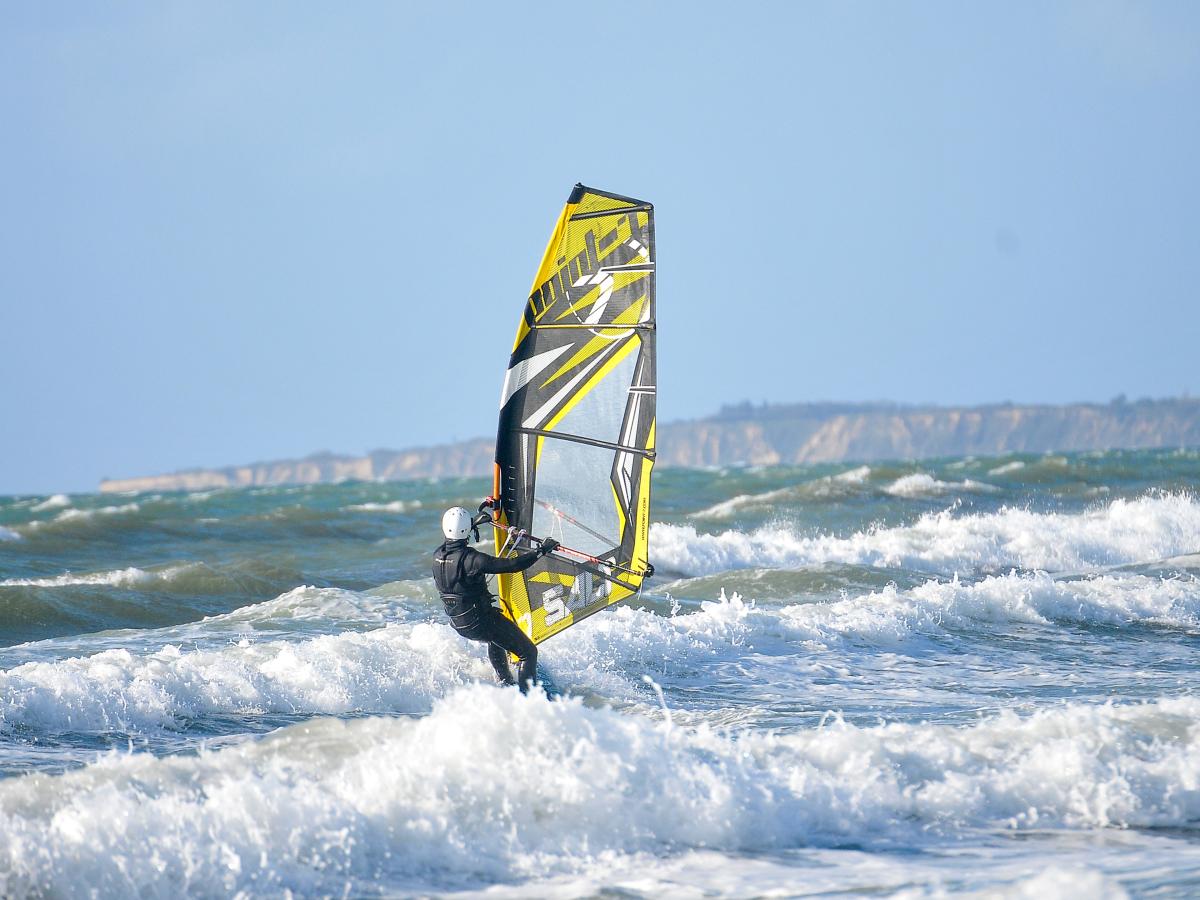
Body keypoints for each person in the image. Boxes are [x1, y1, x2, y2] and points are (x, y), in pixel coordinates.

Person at [432, 505, 559, 693]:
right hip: (480, 622)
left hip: (459, 623)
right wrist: (541, 550)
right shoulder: (473, 560)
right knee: (528, 653)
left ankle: (506, 682)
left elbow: (458, 543)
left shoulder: (438, 555)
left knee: (495, 638)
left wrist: (474, 523)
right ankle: (530, 700)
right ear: (467, 530)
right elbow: (513, 565)